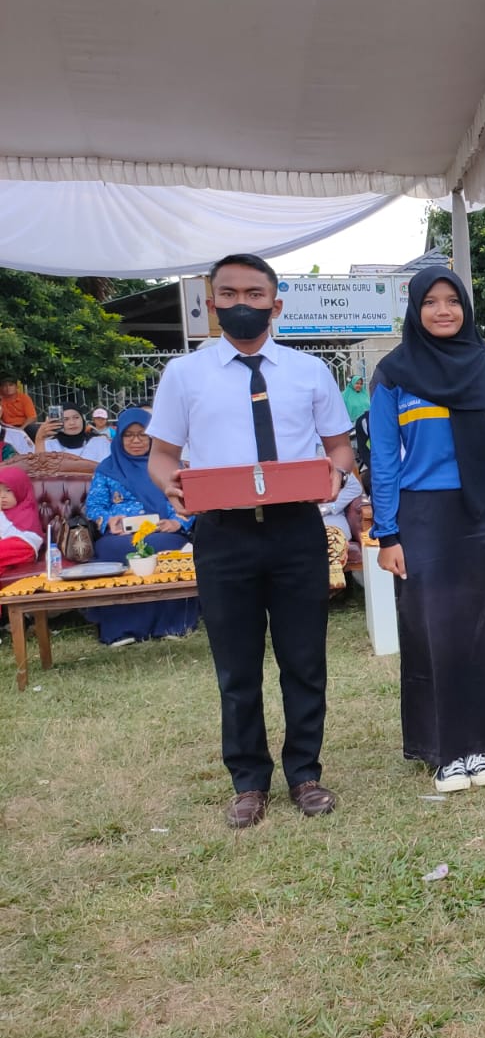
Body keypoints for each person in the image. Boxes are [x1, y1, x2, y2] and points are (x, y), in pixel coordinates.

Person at [146, 252, 355, 830]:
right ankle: (247, 781)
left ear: (275, 304)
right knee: (236, 667)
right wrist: (171, 488)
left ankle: (305, 773)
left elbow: (340, 446)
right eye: (230, 294)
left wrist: (335, 473)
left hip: (295, 532)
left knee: (304, 660)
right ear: (213, 304)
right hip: (223, 535)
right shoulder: (184, 375)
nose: (243, 304)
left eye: (255, 294)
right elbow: (163, 457)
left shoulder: (309, 371)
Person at [370, 266, 485, 795]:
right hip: (422, 518)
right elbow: (383, 458)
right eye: (432, 302)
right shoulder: (394, 373)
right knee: (434, 629)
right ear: (415, 310)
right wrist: (388, 534)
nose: (443, 310)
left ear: (466, 308)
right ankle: (448, 750)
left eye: (453, 300)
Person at [80, 409, 201, 646]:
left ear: (152, 437)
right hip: (120, 534)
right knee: (110, 551)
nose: (136, 441)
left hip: (162, 532)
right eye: (129, 435)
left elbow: (187, 501)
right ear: (119, 438)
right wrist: (107, 521)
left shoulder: (168, 466)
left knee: (166, 546)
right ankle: (122, 628)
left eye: (142, 435)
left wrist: (178, 521)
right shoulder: (107, 469)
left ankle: (171, 624)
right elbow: (94, 506)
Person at [0, 464, 44, 573]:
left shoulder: (26, 510)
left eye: (8, 490)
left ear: (19, 489)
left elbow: (10, 535)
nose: (2, 496)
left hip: (25, 545)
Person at [37, 405, 112, 463]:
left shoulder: (100, 442)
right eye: (65, 419)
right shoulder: (48, 445)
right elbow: (40, 471)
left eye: (76, 417)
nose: (72, 423)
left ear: (82, 419)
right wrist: (39, 438)